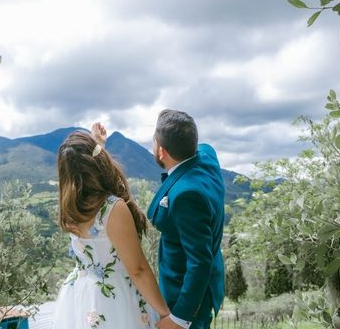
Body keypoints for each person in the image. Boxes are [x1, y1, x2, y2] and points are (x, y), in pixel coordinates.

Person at [52, 123, 170, 329]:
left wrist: (98, 145)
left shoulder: (70, 207)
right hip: (116, 298)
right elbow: (138, 269)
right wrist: (166, 314)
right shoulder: (113, 208)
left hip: (82, 296)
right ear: (97, 162)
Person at [148, 110, 225, 329]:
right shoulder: (207, 155)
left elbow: (199, 261)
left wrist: (179, 318)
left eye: (153, 142)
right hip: (199, 286)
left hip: (186, 292)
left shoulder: (185, 195)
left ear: (162, 152)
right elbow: (204, 146)